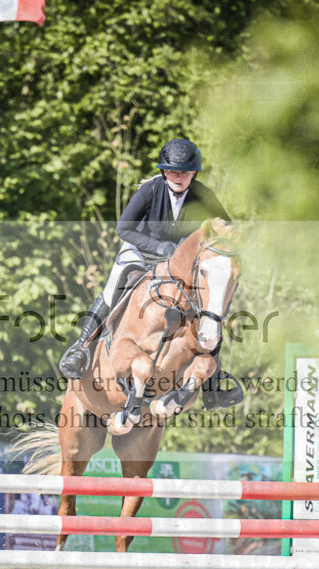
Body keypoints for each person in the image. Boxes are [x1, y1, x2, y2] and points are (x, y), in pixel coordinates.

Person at [58, 138, 243, 410]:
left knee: (211, 308)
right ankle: (81, 348)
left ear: (194, 173)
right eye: (172, 171)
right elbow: (124, 228)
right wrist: (157, 246)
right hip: (141, 250)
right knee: (113, 287)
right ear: (164, 171)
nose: (178, 177)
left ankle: (212, 388)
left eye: (185, 172)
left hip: (181, 263)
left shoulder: (204, 196)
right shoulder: (150, 191)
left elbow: (225, 230)